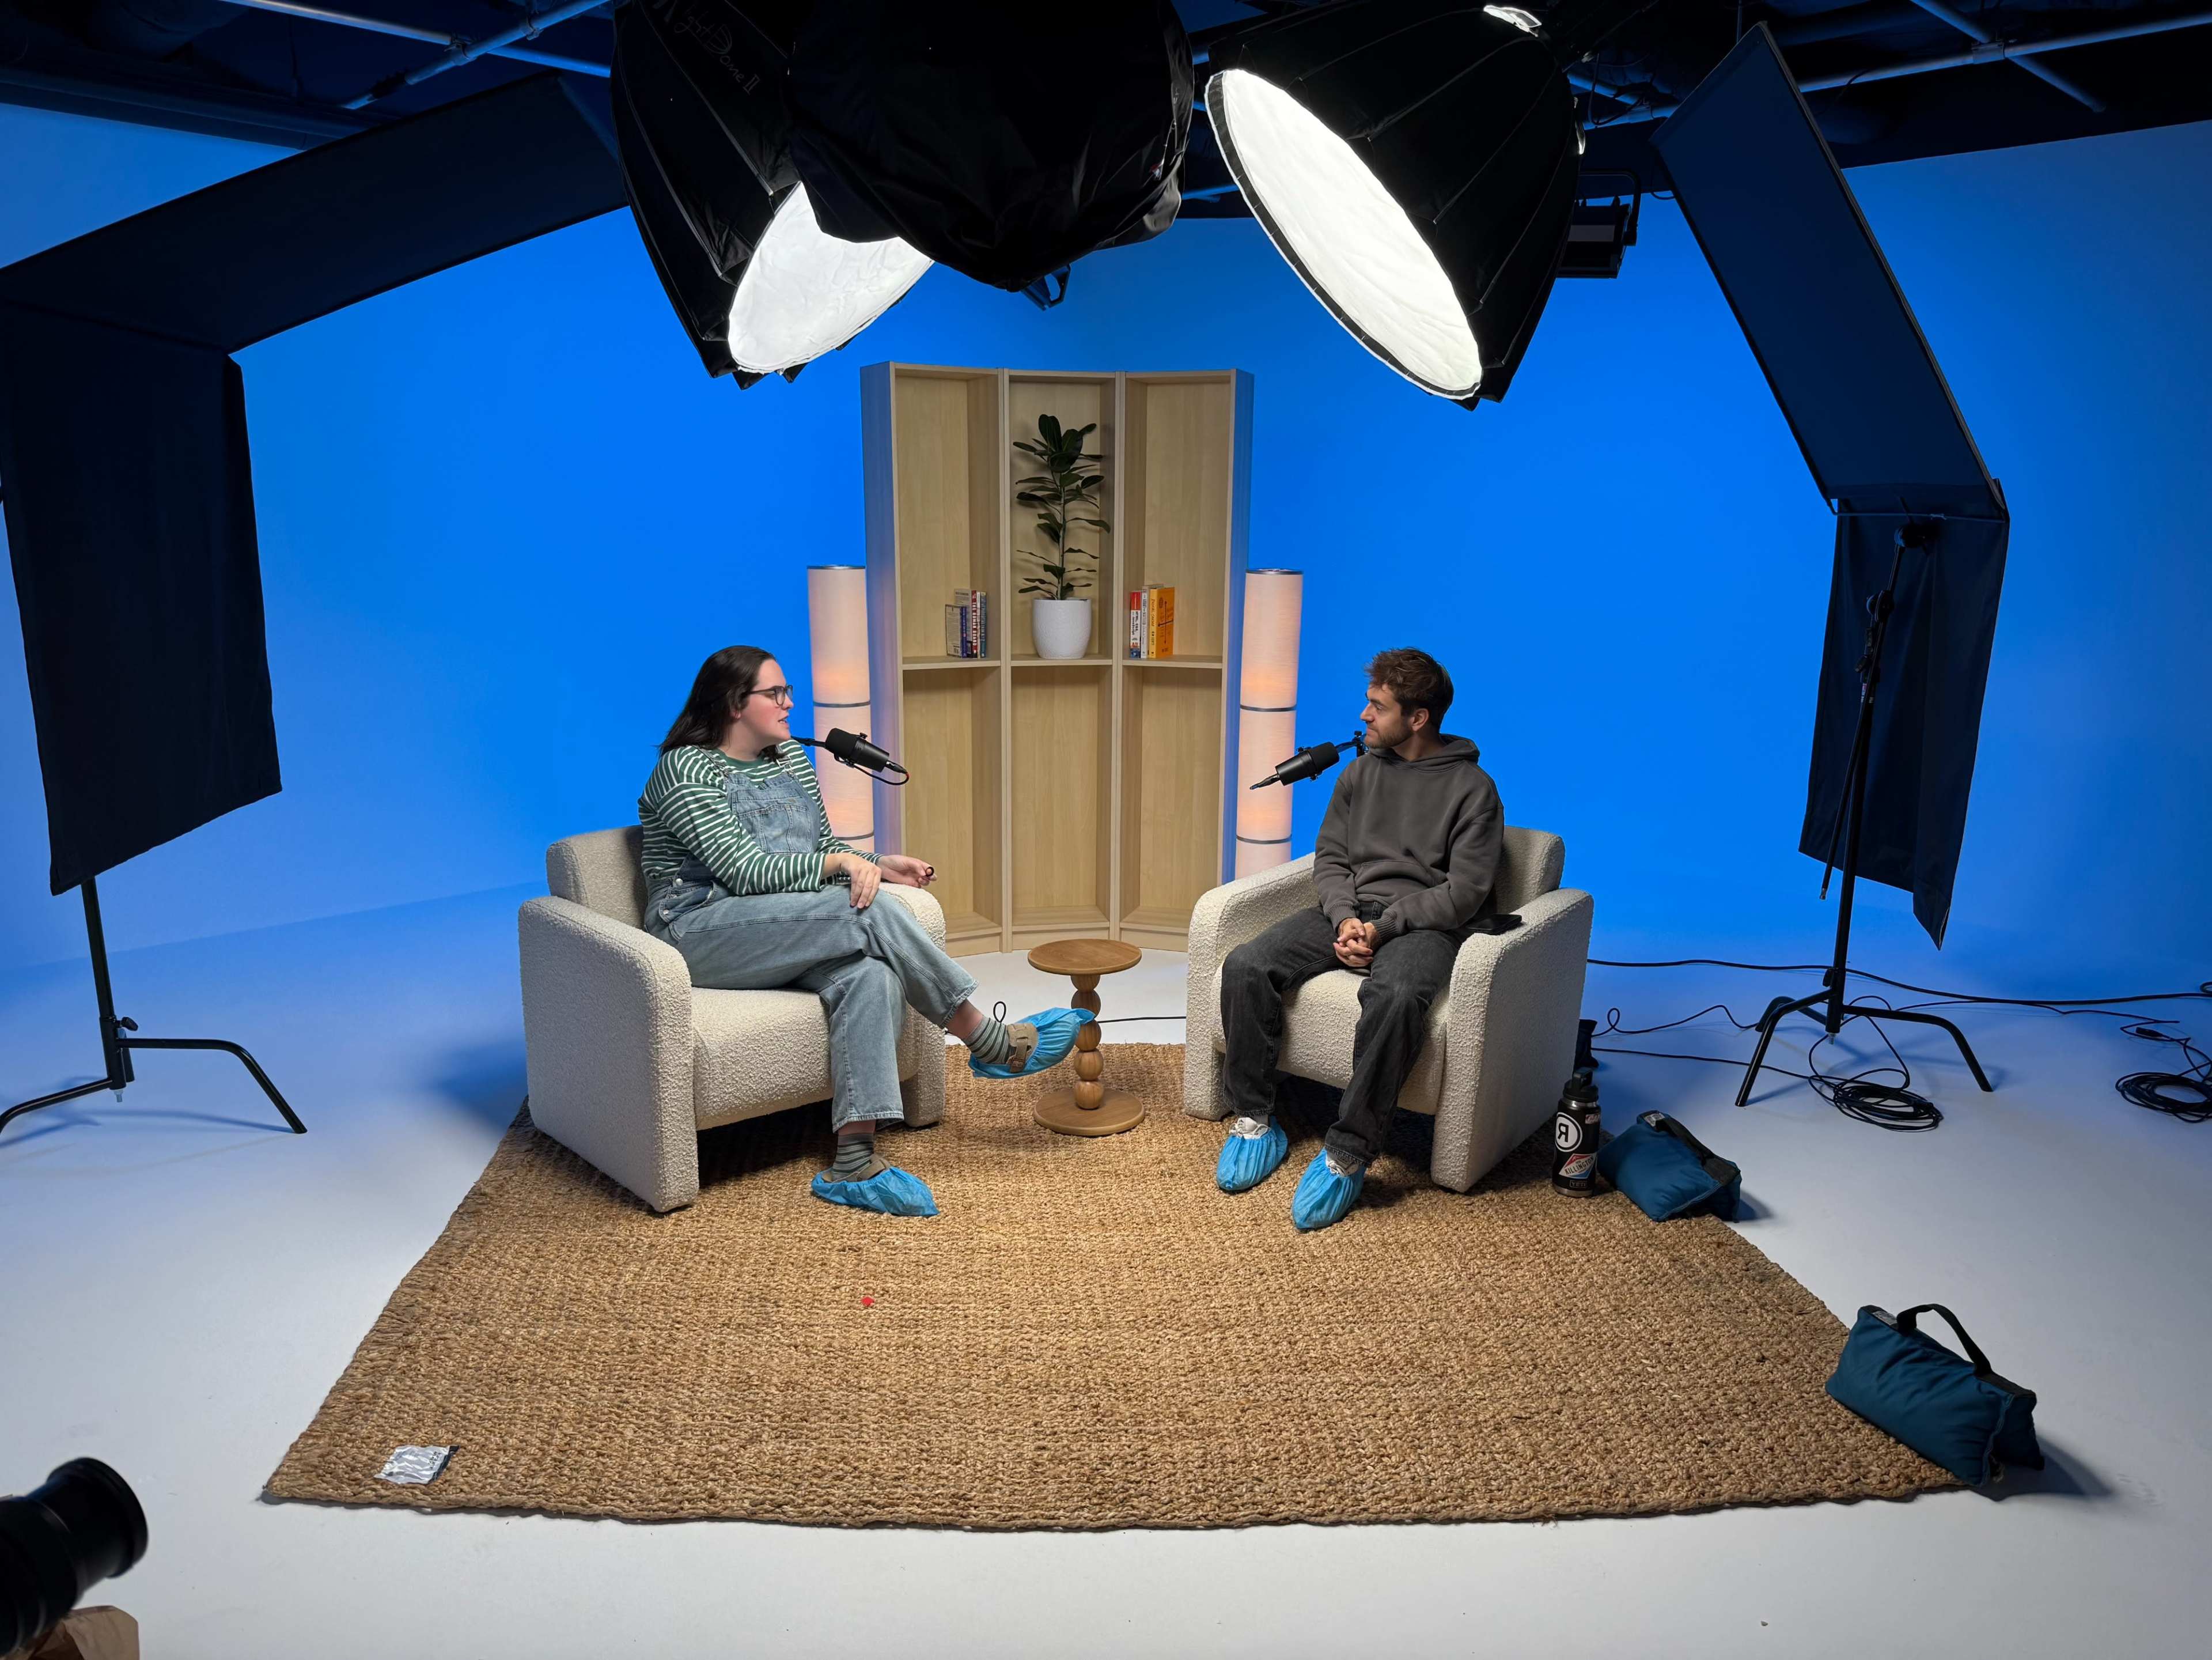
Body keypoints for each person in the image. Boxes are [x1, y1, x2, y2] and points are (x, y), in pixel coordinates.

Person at [639, 645, 1085, 1218]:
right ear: (733, 703)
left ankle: (853, 1161)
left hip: (781, 924)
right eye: (775, 693)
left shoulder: (791, 760)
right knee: (863, 913)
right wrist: (843, 868)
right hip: (697, 932)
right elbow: (745, 872)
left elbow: (821, 850)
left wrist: (876, 860)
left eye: (788, 691)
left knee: (869, 973)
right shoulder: (686, 769)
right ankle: (988, 1040)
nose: (789, 703)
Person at [1211, 648, 1502, 1231]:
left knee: (1395, 998)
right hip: (1350, 911)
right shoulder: (1359, 771)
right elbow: (1331, 858)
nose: (1364, 716)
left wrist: (1384, 926)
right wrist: (1345, 918)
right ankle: (1255, 1118)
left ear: (1418, 718)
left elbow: (1466, 891)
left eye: (1378, 706)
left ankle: (1349, 1151)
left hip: (1424, 924)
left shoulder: (1474, 790)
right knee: (1246, 965)